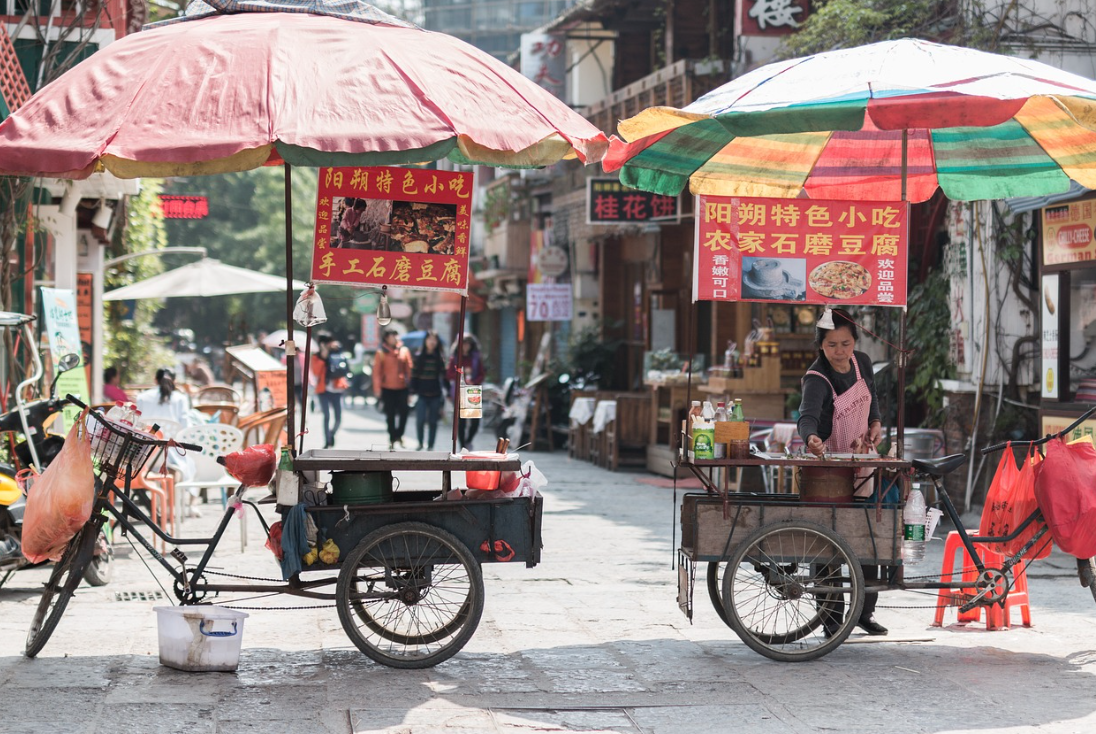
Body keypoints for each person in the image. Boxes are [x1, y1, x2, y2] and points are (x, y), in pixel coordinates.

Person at [797, 308, 887, 637]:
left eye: (846, 343)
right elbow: (806, 416)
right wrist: (811, 438)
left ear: (855, 342)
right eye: (832, 344)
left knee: (868, 535)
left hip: (862, 460)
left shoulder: (862, 362)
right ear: (821, 345)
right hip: (829, 469)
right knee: (828, 544)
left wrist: (875, 422)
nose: (840, 352)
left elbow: (872, 398)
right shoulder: (816, 377)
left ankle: (865, 611)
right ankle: (831, 617)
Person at [372, 329, 413, 451]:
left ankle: (399, 435)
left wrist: (411, 387)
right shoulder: (381, 353)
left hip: (402, 388)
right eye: (391, 336)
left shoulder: (404, 351)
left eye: (395, 336)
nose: (393, 338)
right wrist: (377, 389)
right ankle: (392, 437)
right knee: (390, 415)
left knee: (404, 412)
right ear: (386, 339)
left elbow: (409, 369)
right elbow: (377, 372)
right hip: (387, 388)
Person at [447, 333, 485, 450]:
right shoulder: (455, 358)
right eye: (464, 344)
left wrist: (474, 381)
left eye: (468, 344)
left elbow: (482, 373)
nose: (466, 346)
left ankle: (469, 441)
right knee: (461, 421)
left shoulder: (476, 357)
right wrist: (460, 374)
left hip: (472, 390)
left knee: (475, 421)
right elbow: (449, 374)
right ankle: (462, 445)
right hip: (459, 391)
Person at [410, 331, 446, 451]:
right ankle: (420, 443)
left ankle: (431, 445)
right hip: (421, 394)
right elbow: (414, 376)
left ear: (437, 342)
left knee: (433, 422)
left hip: (435, 394)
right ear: (425, 341)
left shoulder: (440, 358)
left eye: (434, 340)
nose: (431, 342)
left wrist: (449, 393)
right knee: (420, 420)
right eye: (429, 339)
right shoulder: (419, 357)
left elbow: (444, 377)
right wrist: (411, 392)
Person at [311, 334, 349, 448]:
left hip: (337, 389)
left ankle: (331, 434)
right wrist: (324, 357)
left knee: (338, 418)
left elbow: (345, 367)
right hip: (324, 390)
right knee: (326, 416)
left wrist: (337, 350)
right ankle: (327, 440)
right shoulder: (316, 357)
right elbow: (316, 372)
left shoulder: (337, 352)